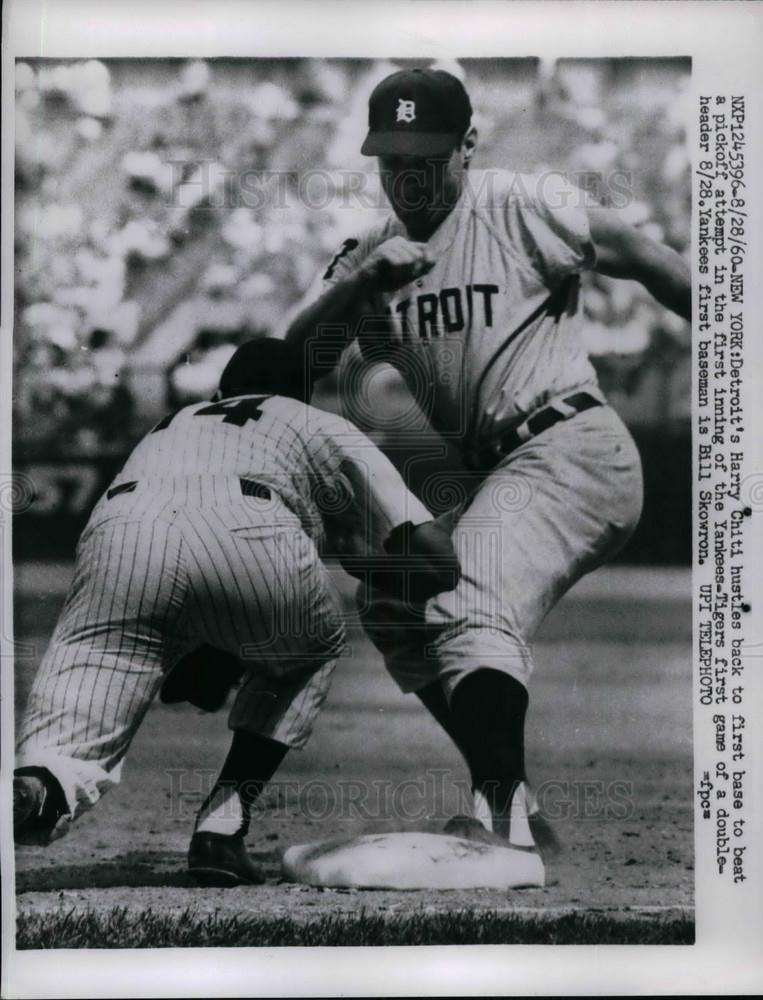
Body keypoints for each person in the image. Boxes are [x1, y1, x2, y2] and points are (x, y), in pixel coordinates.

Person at [285, 67, 691, 850]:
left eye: (425, 159)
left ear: (467, 145)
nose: (407, 178)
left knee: (463, 592)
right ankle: (511, 797)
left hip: (570, 446)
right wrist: (356, 291)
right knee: (395, 604)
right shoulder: (370, 253)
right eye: (391, 161)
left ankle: (500, 823)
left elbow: (642, 255)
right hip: (500, 472)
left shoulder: (517, 203)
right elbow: (284, 362)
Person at [14, 338, 459, 886]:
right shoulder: (316, 421)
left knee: (64, 740)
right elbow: (437, 560)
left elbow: (178, 543)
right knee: (310, 647)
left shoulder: (174, 422)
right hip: (252, 527)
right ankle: (221, 830)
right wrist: (383, 569)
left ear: (223, 391)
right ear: (301, 395)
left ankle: (33, 789)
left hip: (120, 530)